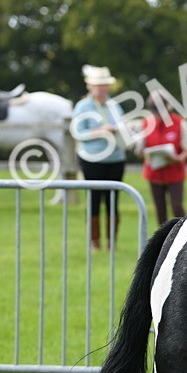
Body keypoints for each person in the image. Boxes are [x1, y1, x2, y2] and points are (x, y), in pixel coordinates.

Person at [72, 65, 128, 251]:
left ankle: (112, 241)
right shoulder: (83, 107)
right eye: (98, 85)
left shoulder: (115, 106)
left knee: (113, 199)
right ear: (90, 86)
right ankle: (94, 242)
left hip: (115, 158)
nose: (102, 88)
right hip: (92, 159)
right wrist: (100, 131)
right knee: (94, 199)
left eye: (104, 85)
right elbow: (78, 133)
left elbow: (123, 126)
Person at [136, 91, 187, 226]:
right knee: (160, 209)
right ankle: (163, 237)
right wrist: (148, 156)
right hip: (154, 172)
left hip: (174, 172)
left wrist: (178, 158)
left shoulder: (179, 123)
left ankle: (183, 232)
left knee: (177, 207)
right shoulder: (145, 124)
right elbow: (139, 150)